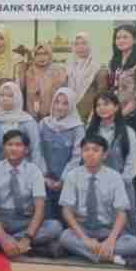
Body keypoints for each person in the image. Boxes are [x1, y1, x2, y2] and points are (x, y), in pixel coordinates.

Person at [58, 134, 136, 271]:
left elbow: (122, 212)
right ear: (81, 153)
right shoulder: (72, 176)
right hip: (83, 229)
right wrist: (84, 239)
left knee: (133, 243)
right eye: (86, 150)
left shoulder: (115, 177)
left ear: (105, 155)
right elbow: (66, 210)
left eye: (95, 150)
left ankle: (85, 252)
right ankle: (116, 259)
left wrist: (111, 240)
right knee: (65, 237)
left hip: (107, 229)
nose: (90, 154)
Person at [0, 130, 64, 259]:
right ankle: (27, 246)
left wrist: (27, 238)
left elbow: (40, 209)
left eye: (18, 145)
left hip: (26, 221)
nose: (13, 148)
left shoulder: (34, 171)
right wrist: (3, 237)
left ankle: (0, 243)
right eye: (9, 144)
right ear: (4, 147)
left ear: (26, 150)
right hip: (2, 220)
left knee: (55, 226)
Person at [86, 92, 136, 236]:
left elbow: (132, 161)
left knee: (128, 236)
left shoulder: (128, 132)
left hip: (121, 184)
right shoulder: (90, 131)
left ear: (116, 107)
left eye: (106, 104)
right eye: (98, 105)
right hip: (96, 183)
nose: (102, 108)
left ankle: (131, 225)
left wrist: (120, 183)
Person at [108, 24, 136, 193]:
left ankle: (133, 203)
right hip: (115, 117)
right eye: (118, 37)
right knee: (115, 159)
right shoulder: (115, 63)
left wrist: (119, 114)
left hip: (134, 118)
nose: (121, 40)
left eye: (125, 37)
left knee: (131, 162)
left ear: (135, 40)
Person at [39, 87, 86, 220]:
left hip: (68, 181)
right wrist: (44, 176)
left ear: (71, 106)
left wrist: (63, 180)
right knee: (45, 217)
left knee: (65, 218)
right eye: (57, 102)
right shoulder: (44, 124)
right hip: (44, 180)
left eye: (65, 103)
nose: (59, 107)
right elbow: (38, 151)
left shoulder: (77, 128)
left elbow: (77, 157)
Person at [0, 81, 45, 172]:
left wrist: (35, 173)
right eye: (2, 95)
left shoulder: (28, 122)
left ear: (17, 98)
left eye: (10, 96)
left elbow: (36, 150)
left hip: (24, 172)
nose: (5, 99)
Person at [66, 32, 108, 121]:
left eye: (84, 43)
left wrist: (94, 113)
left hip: (90, 114)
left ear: (90, 45)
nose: (80, 47)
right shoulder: (70, 67)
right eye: (77, 44)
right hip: (71, 111)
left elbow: (102, 94)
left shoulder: (99, 68)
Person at [23, 43, 67, 121]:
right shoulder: (29, 72)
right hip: (32, 116)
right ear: (34, 56)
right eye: (38, 54)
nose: (41, 57)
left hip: (54, 117)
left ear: (50, 55)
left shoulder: (58, 72)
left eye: (45, 54)